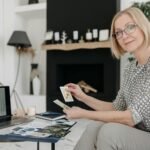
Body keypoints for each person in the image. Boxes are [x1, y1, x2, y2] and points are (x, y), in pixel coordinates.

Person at [63, 7, 150, 150]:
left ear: (143, 26)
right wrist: (83, 97)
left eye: (130, 27)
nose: (124, 35)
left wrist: (84, 114)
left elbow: (130, 117)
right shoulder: (130, 69)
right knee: (93, 127)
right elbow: (117, 108)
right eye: (118, 32)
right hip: (140, 132)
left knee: (110, 132)